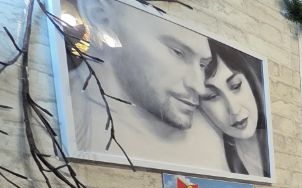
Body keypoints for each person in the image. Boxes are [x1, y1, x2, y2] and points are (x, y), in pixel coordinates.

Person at [67, 0, 220, 160]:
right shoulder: (76, 121)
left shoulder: (208, 138)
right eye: (178, 52)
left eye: (203, 65)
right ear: (101, 17)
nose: (199, 87)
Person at [202, 40, 271, 177]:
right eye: (212, 96)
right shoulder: (217, 162)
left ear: (250, 81)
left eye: (236, 86)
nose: (234, 109)